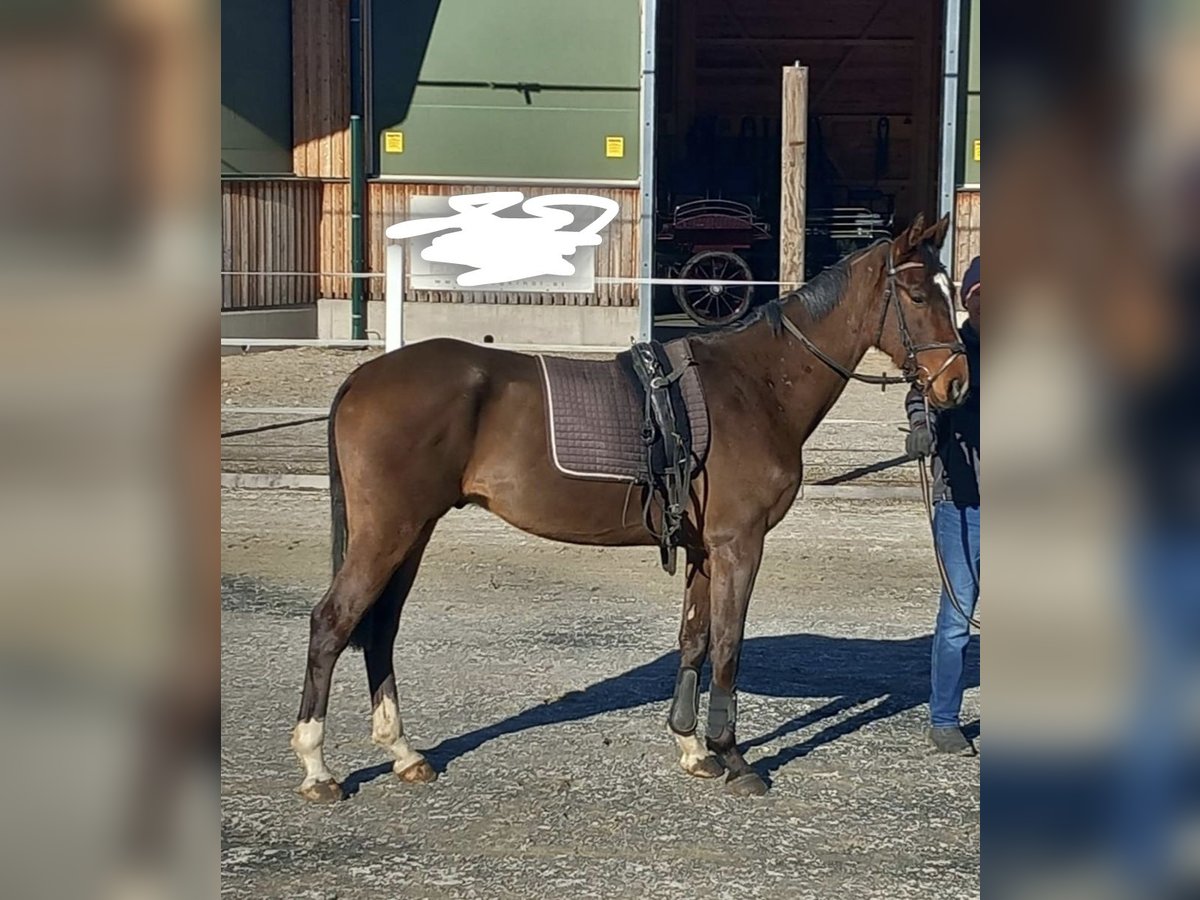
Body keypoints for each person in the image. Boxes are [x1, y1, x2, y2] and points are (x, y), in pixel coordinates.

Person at [905, 254, 980, 755]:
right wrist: (920, 429)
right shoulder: (955, 349)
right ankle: (944, 717)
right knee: (957, 620)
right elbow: (921, 394)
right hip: (963, 503)